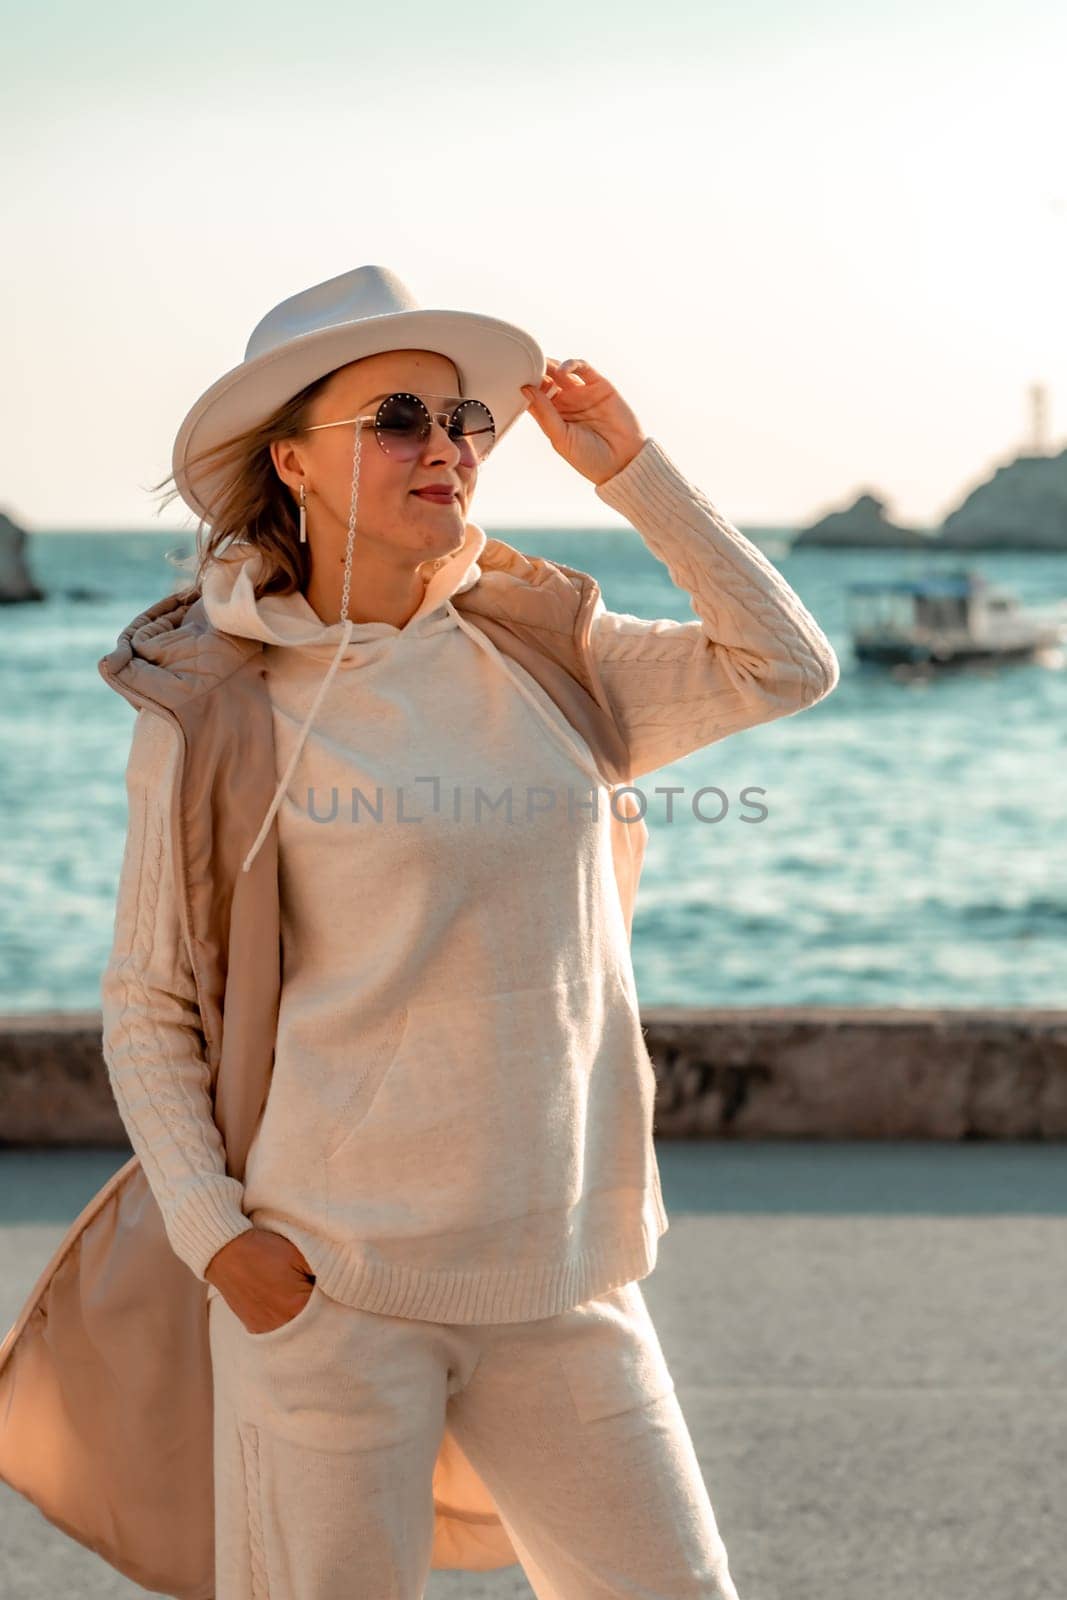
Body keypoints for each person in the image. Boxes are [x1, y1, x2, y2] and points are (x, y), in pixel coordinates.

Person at [98, 263, 840, 1598]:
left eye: (462, 421)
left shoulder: (546, 652)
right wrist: (228, 1244)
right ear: (295, 463)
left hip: (563, 1273)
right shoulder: (217, 706)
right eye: (396, 418)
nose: (444, 445)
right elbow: (151, 998)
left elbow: (785, 666)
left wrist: (635, 474)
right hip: (332, 1286)